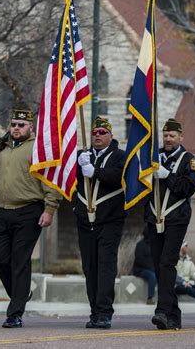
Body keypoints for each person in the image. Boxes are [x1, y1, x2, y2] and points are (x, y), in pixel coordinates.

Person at [0, 109, 62, 328]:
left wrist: (49, 209)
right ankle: (22, 293)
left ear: (30, 127)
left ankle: (15, 313)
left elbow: (51, 183)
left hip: (29, 211)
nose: (16, 128)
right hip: (1, 210)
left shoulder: (38, 150)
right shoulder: (0, 149)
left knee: (20, 261)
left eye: (21, 125)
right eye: (13, 124)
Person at [145, 118, 195, 330]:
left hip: (176, 218)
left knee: (168, 262)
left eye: (172, 136)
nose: (168, 139)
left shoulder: (189, 160)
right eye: (166, 136)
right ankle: (173, 314)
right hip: (153, 217)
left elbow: (187, 189)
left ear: (180, 137)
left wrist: (168, 176)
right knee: (160, 266)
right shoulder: (154, 157)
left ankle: (162, 311)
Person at [75, 116, 126, 329]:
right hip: (86, 220)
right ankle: (94, 311)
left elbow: (119, 176)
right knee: (90, 267)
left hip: (110, 220)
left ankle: (105, 312)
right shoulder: (82, 156)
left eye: (102, 133)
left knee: (105, 266)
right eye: (94, 132)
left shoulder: (120, 156)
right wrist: (79, 165)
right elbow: (68, 180)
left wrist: (95, 171)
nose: (97, 135)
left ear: (110, 135)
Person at [133, 226, 157, 305]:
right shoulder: (140, 245)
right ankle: (150, 298)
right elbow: (139, 260)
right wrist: (151, 267)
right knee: (152, 275)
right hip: (140, 269)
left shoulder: (154, 245)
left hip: (151, 268)